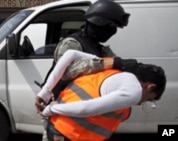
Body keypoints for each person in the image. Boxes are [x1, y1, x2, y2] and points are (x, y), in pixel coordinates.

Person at [36, 0, 135, 140]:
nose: (113, 31)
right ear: (99, 22)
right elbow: (67, 72)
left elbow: (113, 69)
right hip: (61, 115)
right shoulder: (72, 44)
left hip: (82, 117)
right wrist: (111, 63)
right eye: (111, 26)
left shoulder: (101, 49)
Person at [38, 50, 166, 141]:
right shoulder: (134, 91)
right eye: (149, 98)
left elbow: (71, 54)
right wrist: (51, 109)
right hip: (71, 134)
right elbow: (86, 109)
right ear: (150, 87)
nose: (141, 103)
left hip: (56, 128)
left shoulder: (113, 69)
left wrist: (44, 93)